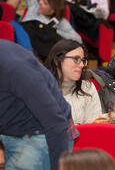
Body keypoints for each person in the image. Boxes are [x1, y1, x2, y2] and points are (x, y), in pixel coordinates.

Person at [0, 39, 75, 170]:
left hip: (41, 134)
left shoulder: (16, 69)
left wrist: (59, 166)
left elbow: (55, 123)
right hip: (10, 129)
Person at [6, 0, 82, 60]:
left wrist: (53, 31)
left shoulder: (60, 22)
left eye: (45, 3)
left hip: (39, 46)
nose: (40, 2)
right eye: (41, 0)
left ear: (52, 10)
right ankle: (30, 55)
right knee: (13, 24)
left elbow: (78, 39)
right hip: (24, 37)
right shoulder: (34, 6)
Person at [45, 39, 103, 125]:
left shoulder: (87, 87)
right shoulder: (42, 90)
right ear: (57, 61)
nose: (82, 65)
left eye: (83, 60)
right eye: (76, 59)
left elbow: (93, 128)